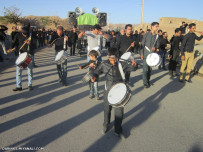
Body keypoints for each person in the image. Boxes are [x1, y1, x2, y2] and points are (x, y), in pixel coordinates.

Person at [91, 47, 138, 138]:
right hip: (108, 88)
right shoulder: (104, 64)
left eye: (114, 59)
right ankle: (106, 124)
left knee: (119, 111)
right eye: (110, 59)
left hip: (119, 89)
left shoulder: (123, 64)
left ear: (117, 57)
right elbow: (96, 72)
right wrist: (93, 76)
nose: (112, 61)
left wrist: (134, 65)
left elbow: (133, 68)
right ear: (108, 57)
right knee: (107, 108)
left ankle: (118, 129)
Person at [8, 24, 34, 91]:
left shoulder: (31, 36)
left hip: (29, 54)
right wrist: (11, 48)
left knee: (29, 71)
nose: (26, 36)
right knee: (18, 71)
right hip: (21, 54)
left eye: (27, 34)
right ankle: (19, 86)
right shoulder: (18, 35)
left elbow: (35, 46)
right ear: (22, 32)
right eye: (24, 34)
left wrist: (30, 43)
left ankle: (30, 85)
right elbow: (14, 42)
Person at [140, 22, 160, 88]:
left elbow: (157, 45)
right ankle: (145, 83)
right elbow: (142, 45)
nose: (157, 28)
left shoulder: (157, 36)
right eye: (156, 26)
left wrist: (156, 48)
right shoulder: (146, 34)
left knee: (150, 70)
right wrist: (141, 54)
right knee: (145, 69)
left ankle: (148, 80)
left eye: (158, 26)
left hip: (152, 55)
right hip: (146, 54)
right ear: (152, 27)